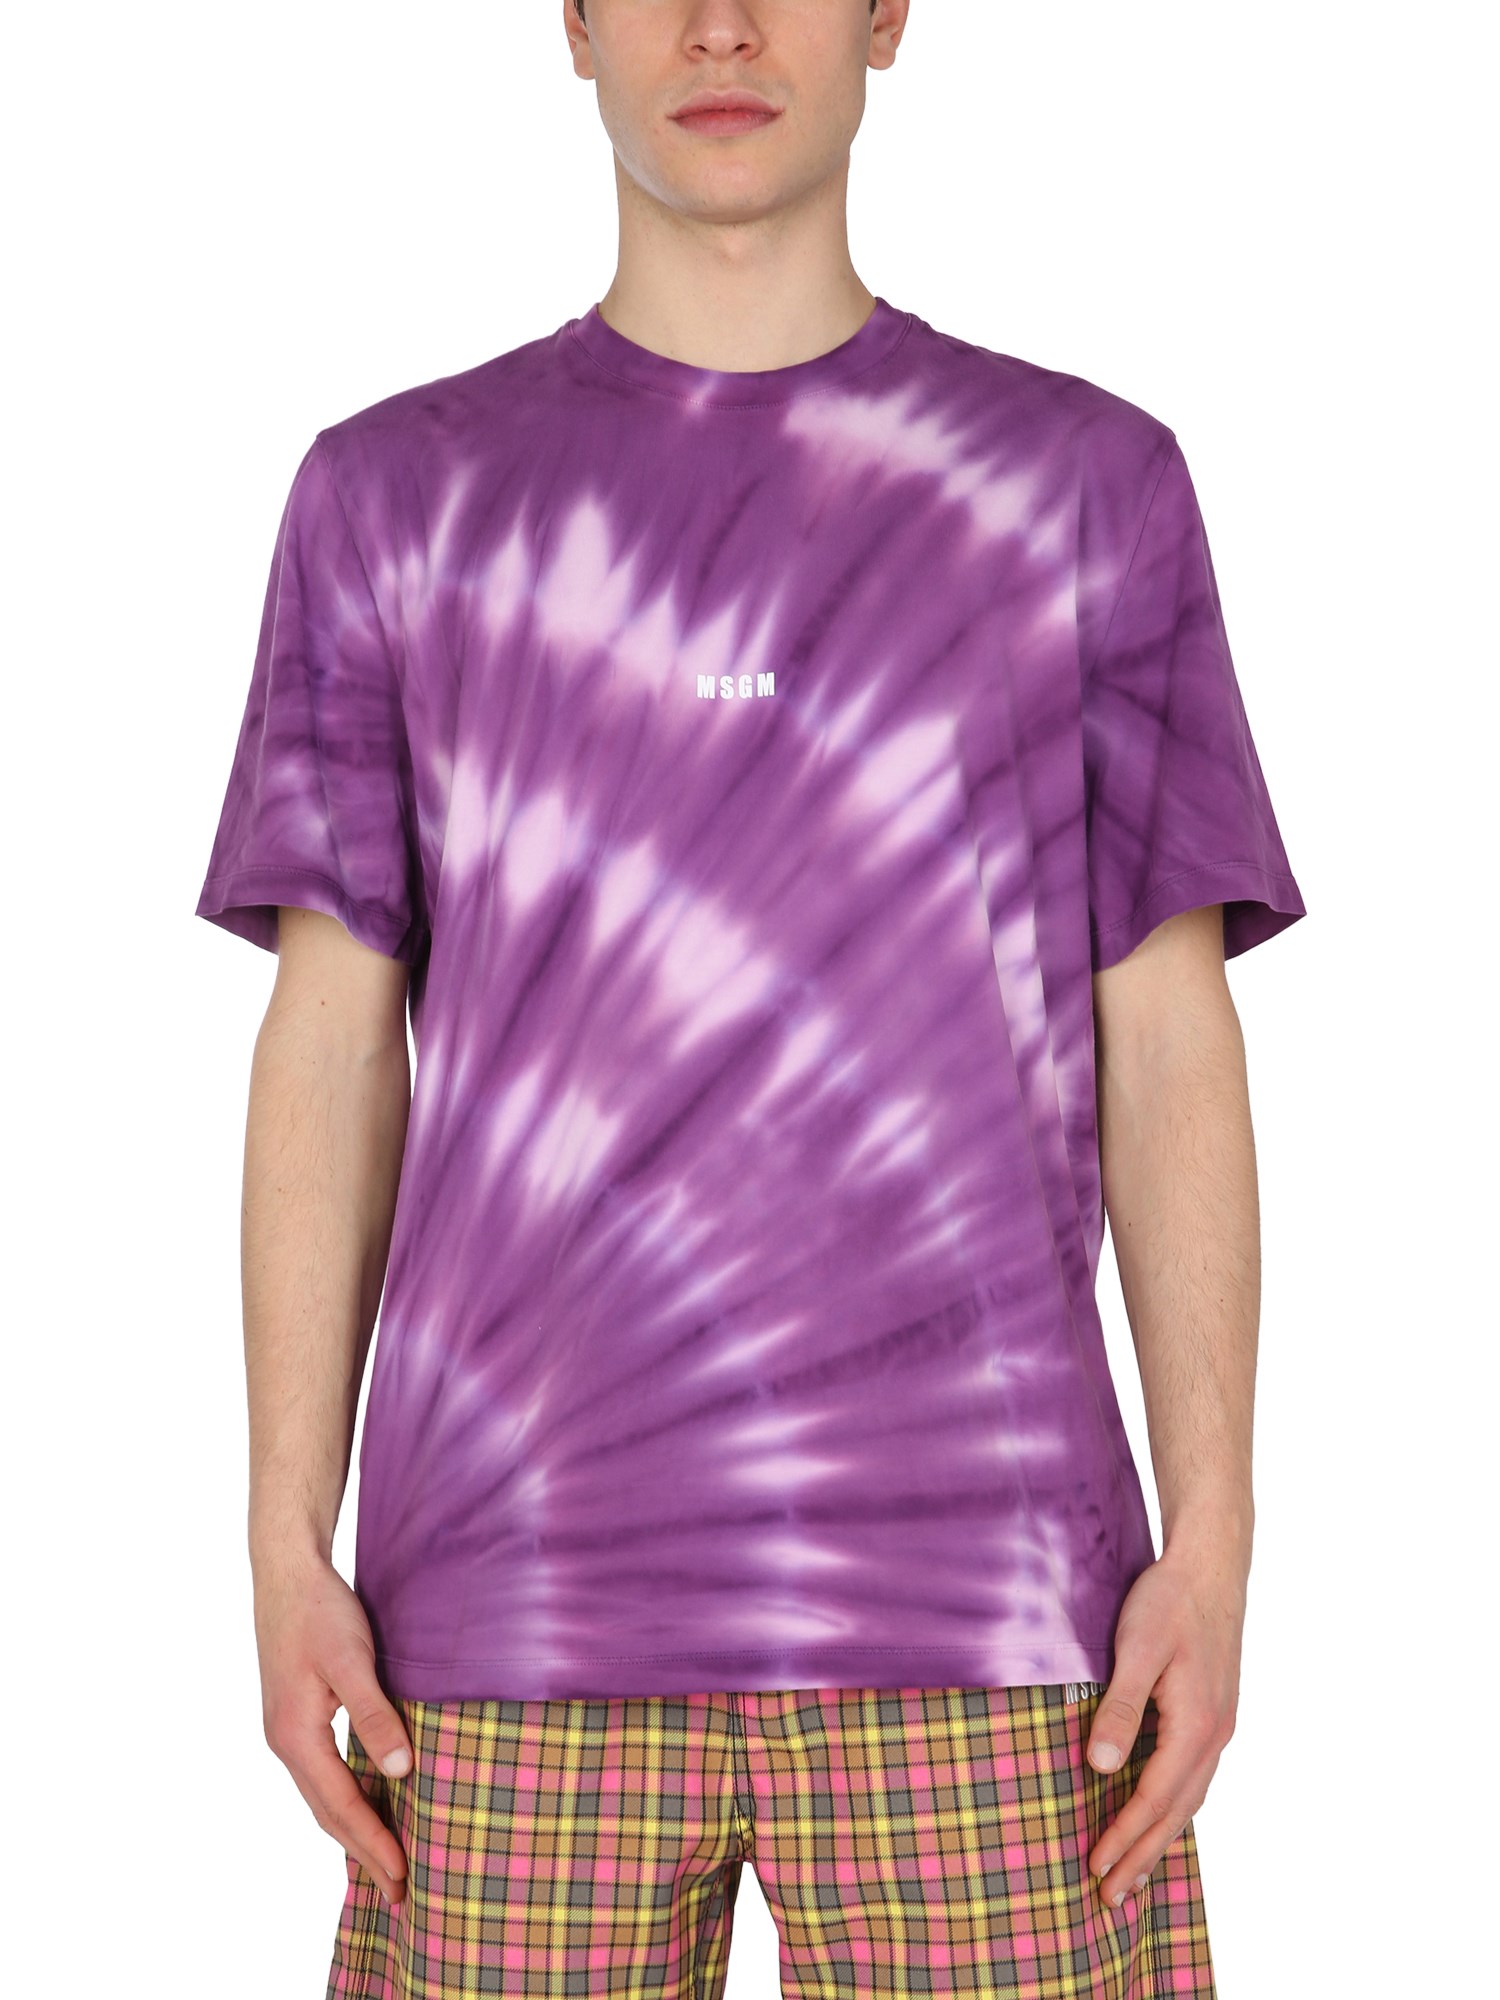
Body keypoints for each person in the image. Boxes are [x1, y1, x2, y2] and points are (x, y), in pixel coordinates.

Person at [194, 3, 1306, 1993]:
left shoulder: (1086, 491)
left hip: (999, 1623)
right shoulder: (391, 500)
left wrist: (1215, 1537)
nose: (720, 23)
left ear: (887, 13)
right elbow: (330, 1036)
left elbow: (1169, 1034)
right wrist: (283, 1534)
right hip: (505, 1621)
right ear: (572, 20)